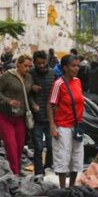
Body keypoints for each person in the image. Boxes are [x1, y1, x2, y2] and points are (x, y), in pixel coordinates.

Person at [0, 55, 36, 175]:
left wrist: (33, 104)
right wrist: (9, 101)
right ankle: (15, 173)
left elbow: (28, 95)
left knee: (19, 147)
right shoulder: (7, 76)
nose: (27, 68)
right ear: (18, 64)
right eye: (25, 65)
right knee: (11, 146)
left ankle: (14, 170)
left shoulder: (29, 78)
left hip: (20, 118)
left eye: (29, 66)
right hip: (5, 116)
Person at [48, 54, 84, 189]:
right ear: (65, 67)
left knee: (76, 158)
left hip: (77, 126)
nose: (76, 69)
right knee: (63, 158)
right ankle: (63, 188)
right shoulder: (59, 84)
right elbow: (50, 105)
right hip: (62, 126)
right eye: (73, 66)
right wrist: (52, 126)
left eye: (78, 66)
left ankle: (72, 187)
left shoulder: (78, 82)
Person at [30, 50, 56, 176]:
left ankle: (48, 167)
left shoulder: (52, 73)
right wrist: (32, 102)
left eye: (43, 63)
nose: (41, 65)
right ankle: (39, 172)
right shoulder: (30, 74)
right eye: (38, 63)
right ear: (34, 62)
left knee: (51, 146)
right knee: (38, 147)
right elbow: (24, 92)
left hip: (51, 118)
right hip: (36, 118)